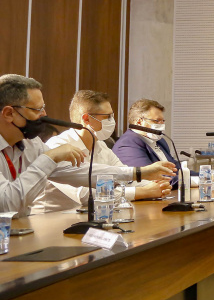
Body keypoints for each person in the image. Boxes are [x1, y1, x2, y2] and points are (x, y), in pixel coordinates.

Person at [0, 75, 175, 217]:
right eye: (37, 110)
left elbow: (81, 172)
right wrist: (50, 157)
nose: (44, 115)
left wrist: (139, 173)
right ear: (9, 113)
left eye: (43, 108)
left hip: (25, 229)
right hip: (44, 223)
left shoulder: (32, 144)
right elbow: (7, 204)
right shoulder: (52, 146)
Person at [33, 91, 172, 214]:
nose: (113, 122)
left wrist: (156, 186)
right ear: (86, 119)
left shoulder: (101, 145)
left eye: (112, 116)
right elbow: (85, 195)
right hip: (51, 219)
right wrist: (142, 192)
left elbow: (125, 178)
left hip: (88, 216)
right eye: (107, 117)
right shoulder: (57, 146)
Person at [112, 99, 214, 187]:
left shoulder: (160, 141)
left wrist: (208, 175)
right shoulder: (127, 144)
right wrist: (203, 180)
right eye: (157, 121)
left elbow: (176, 169)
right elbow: (152, 178)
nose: (161, 124)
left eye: (163, 121)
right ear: (139, 121)